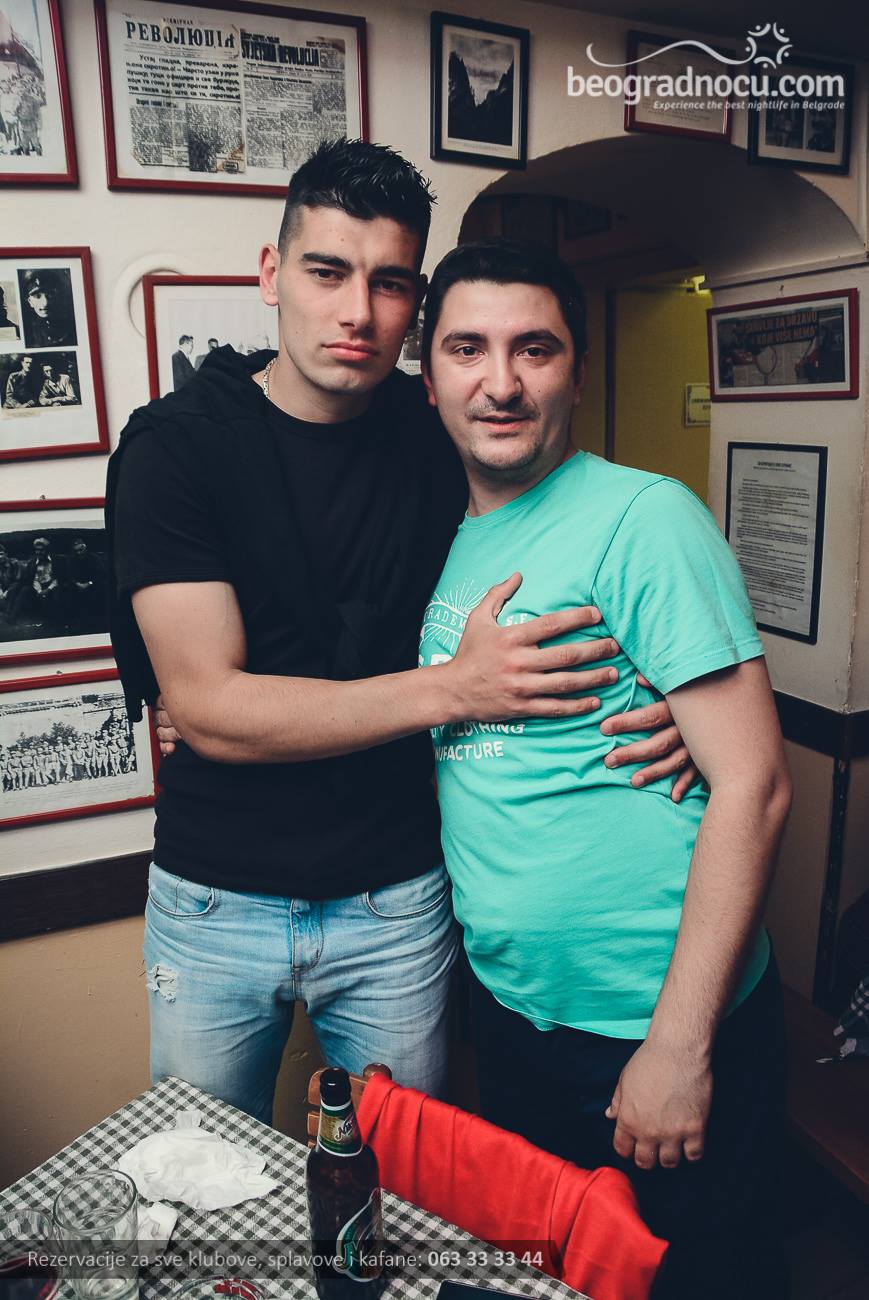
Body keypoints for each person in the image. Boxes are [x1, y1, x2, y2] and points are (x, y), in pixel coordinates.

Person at [108, 139, 693, 1126]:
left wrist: (673, 699)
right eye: (326, 271)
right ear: (271, 273)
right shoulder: (178, 447)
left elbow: (583, 543)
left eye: (389, 284)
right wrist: (452, 689)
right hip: (214, 896)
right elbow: (208, 709)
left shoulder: (444, 435)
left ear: (414, 307)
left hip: (398, 895)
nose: (357, 312)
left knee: (405, 1182)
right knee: (199, 1181)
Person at [416, 240, 793, 1300]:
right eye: (467, 349)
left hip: (649, 1023)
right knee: (555, 1282)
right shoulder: (443, 536)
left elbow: (755, 784)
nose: (500, 382)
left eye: (533, 349)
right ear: (428, 376)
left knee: (697, 1284)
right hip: (518, 1015)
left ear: (577, 373)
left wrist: (677, 1046)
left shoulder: (643, 516)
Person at [19, 269, 76, 348]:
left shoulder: (71, 327)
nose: (45, 303)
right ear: (30, 301)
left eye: (50, 294)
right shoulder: (25, 333)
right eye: (37, 296)